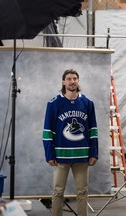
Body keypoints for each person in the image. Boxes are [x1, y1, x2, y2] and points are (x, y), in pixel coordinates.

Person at [42, 69, 99, 216]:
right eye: (68, 79)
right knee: (58, 191)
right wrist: (50, 155)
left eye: (75, 78)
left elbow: (93, 130)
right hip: (61, 155)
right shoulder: (53, 104)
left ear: (78, 81)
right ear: (63, 82)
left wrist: (94, 153)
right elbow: (47, 132)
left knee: (82, 192)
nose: (72, 81)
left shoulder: (87, 103)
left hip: (82, 155)